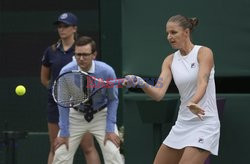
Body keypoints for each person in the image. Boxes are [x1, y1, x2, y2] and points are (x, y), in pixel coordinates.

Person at [125, 14, 220, 164]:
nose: (169, 37)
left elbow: (203, 82)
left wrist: (193, 102)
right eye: (167, 33)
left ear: (186, 32)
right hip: (183, 123)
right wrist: (141, 82)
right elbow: (158, 94)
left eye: (173, 32)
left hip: (205, 123)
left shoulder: (204, 52)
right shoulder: (169, 61)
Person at [52, 36, 124, 164]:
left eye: (85, 55)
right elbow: (62, 102)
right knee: (61, 153)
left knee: (113, 152)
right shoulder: (66, 71)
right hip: (75, 115)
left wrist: (110, 129)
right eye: (78, 54)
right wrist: (64, 131)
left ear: (94, 55)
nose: (81, 58)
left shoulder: (107, 71)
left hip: (101, 114)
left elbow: (113, 99)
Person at [40, 12, 100, 164]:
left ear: (74, 28)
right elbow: (44, 78)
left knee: (88, 147)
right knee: (55, 147)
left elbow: (92, 73)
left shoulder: (82, 50)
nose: (62, 29)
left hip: (81, 105)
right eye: (59, 26)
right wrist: (55, 90)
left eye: (65, 26)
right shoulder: (50, 51)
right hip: (56, 104)